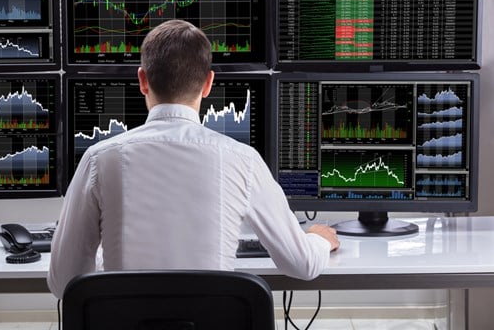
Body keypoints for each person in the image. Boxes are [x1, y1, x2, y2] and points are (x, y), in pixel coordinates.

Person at [47, 19, 339, 298]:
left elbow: (63, 283)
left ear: (142, 80)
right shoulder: (243, 160)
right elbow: (302, 264)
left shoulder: (99, 159)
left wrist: (110, 263)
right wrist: (318, 239)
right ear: (209, 83)